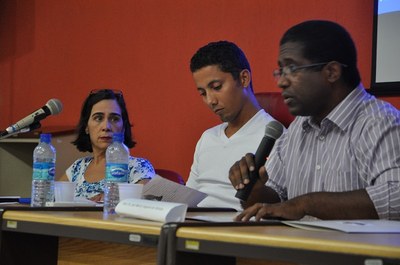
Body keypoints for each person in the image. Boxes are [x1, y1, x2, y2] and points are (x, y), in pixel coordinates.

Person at [229, 20, 400, 221]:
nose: (282, 81)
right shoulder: (297, 128)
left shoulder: (379, 121)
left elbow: (395, 196)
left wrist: (305, 205)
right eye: (280, 71)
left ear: (332, 72)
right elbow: (278, 199)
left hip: (354, 251)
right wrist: (256, 190)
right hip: (296, 248)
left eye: (292, 69)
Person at [186, 41, 277, 211]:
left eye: (216, 87)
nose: (210, 100)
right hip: (192, 225)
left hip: (236, 228)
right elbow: (189, 198)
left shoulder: (274, 138)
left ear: (243, 79)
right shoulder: (207, 137)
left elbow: (275, 204)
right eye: (203, 93)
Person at [59, 89, 155, 202]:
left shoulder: (138, 167)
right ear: (86, 127)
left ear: (123, 127)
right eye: (98, 118)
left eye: (114, 119)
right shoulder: (77, 168)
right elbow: (50, 202)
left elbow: (145, 208)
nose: (106, 126)